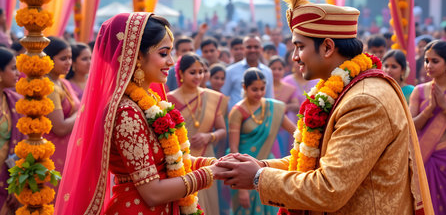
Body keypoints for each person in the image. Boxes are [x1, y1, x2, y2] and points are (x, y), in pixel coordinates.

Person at [215, 0, 433, 215]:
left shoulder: (365, 100)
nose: (295, 57)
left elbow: (330, 187)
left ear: (328, 47)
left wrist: (258, 178)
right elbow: (315, 161)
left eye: (299, 47)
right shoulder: (343, 89)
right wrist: (262, 166)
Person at [55, 13, 227, 215]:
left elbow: (172, 163)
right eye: (163, 53)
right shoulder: (126, 112)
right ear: (136, 56)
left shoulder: (150, 101)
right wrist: (210, 174)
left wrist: (216, 164)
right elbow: (152, 192)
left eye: (170, 53)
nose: (171, 62)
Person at [228, 68, 295, 215]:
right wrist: (241, 189)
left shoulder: (273, 107)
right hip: (242, 169)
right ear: (244, 87)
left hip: (266, 167)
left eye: (262, 89)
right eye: (254, 89)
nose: (259, 93)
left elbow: (295, 132)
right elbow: (233, 148)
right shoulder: (237, 111)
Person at [167, 53, 227, 215]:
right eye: (192, 72)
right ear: (181, 74)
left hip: (206, 157)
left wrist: (209, 136)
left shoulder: (212, 97)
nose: (198, 76)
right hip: (180, 160)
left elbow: (222, 130)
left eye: (201, 72)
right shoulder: (169, 99)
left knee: (209, 204)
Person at [409, 40, 446, 215]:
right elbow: (411, 127)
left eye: (435, 61)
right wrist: (430, 110)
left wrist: (445, 106)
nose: (429, 65)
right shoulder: (419, 91)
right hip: (423, 156)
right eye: (426, 60)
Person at [44, 37, 80, 178]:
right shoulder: (49, 87)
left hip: (68, 150)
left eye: (70, 58)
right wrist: (82, 113)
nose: (68, 63)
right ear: (49, 59)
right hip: (54, 152)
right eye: (63, 58)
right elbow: (60, 128)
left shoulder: (63, 82)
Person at [222, 35, 274, 111]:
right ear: (243, 49)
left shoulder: (267, 72)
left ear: (261, 49)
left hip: (260, 118)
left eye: (256, 47)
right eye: (249, 47)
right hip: (236, 118)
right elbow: (224, 97)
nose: (253, 50)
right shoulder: (230, 71)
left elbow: (269, 99)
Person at [0, 48, 23, 214]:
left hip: (6, 179)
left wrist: (16, 185)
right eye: (13, 68)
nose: (18, 73)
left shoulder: (14, 101)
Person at [269, 56, 299, 157]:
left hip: (283, 126)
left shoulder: (289, 88)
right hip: (267, 124)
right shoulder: (263, 87)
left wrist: (284, 107)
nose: (276, 72)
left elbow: (296, 105)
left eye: (279, 69)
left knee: (283, 153)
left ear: (284, 70)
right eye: (273, 69)